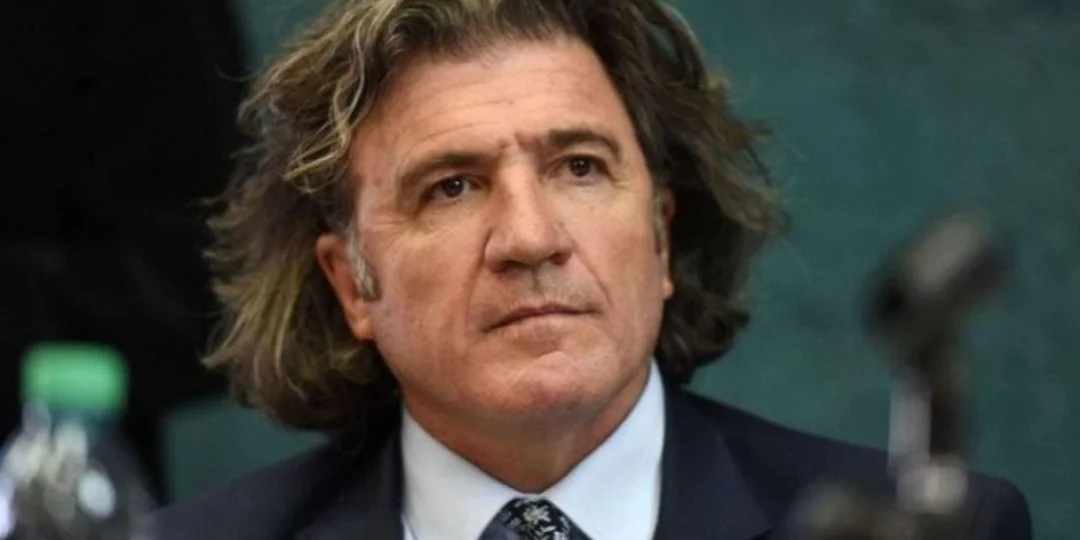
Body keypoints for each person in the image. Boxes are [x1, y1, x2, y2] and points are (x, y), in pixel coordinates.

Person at [158, 0, 1031, 538]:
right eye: (452, 186)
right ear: (352, 282)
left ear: (660, 237)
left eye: (579, 167)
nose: (530, 237)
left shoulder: (922, 530)